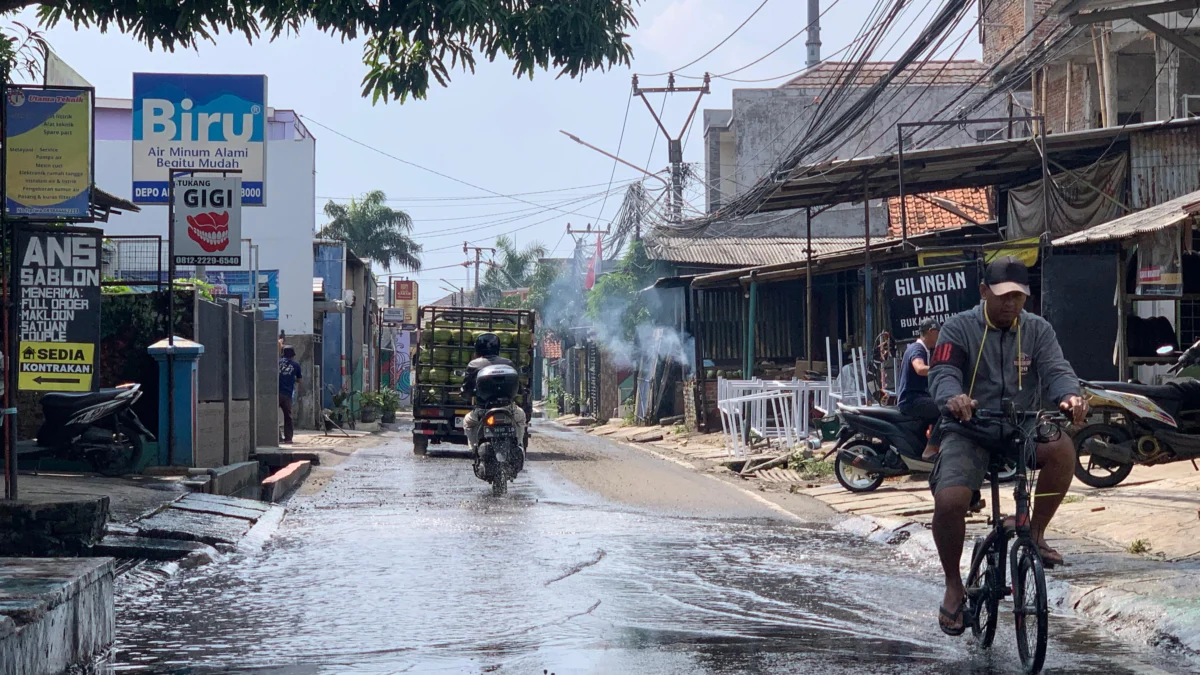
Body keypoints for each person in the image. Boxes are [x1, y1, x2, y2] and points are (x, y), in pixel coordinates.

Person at [928, 256, 1088, 636]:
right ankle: (953, 584)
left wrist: (1070, 396)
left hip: (1022, 425)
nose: (1010, 304)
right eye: (1002, 296)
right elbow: (943, 372)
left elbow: (1056, 369)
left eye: (1018, 297)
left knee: (1063, 449)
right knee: (950, 501)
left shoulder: (1038, 329)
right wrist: (954, 397)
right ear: (984, 292)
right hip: (969, 428)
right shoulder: (957, 328)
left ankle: (1035, 534)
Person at [461, 333, 527, 452]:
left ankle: (474, 449)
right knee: (521, 417)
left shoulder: (473, 364)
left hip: (483, 411)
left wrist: (466, 395)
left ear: (478, 348)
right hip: (509, 410)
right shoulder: (508, 363)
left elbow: (467, 389)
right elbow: (519, 388)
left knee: (468, 422)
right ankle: (519, 444)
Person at [897, 318, 943, 460]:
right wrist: (941, 369)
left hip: (916, 398)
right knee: (946, 409)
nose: (939, 336)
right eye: (938, 332)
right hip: (911, 400)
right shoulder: (917, 349)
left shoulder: (923, 350)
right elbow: (920, 368)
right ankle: (929, 450)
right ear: (931, 331)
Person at [279, 345, 302, 444]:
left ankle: (277, 437)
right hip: (287, 394)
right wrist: (292, 379)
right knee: (288, 416)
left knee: (272, 416)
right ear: (292, 355)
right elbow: (300, 380)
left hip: (275, 393)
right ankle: (288, 438)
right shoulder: (296, 365)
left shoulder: (277, 363)